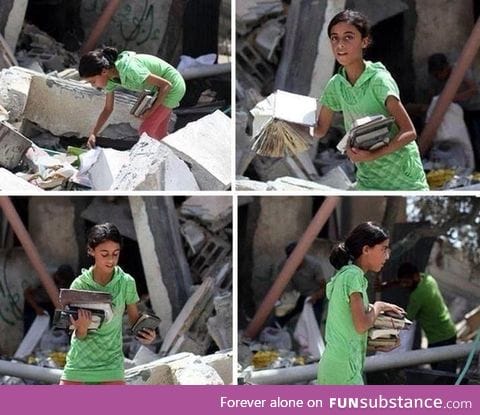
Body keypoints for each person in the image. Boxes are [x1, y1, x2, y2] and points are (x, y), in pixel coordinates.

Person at [314, 10, 428, 190]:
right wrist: (289, 128)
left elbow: (409, 132)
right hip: (369, 177)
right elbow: (320, 129)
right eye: (334, 38)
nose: (340, 45)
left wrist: (372, 155)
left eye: (348, 37)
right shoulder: (336, 85)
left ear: (364, 41)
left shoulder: (379, 80)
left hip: (402, 176)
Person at [60, 223, 156, 385]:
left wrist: (147, 334)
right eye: (104, 254)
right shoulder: (79, 285)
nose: (111, 260)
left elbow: (134, 320)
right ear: (91, 251)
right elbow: (78, 334)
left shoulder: (126, 282)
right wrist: (81, 328)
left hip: (111, 364)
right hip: (79, 363)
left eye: (115, 254)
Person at [317, 222, 404, 385]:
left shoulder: (346, 276)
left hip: (339, 367)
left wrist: (379, 342)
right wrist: (379, 306)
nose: (387, 256)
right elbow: (362, 325)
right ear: (366, 249)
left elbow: (349, 331)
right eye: (383, 249)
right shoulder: (352, 276)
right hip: (343, 371)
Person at [78, 47, 186, 145]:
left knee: (145, 131)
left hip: (173, 87)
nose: (93, 86)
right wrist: (93, 133)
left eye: (93, 81)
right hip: (160, 91)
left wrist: (151, 111)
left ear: (104, 71)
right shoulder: (110, 79)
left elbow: (166, 85)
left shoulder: (130, 69)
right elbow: (108, 109)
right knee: (159, 134)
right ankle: (178, 159)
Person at [397, 262, 457, 373]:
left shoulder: (417, 296)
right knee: (447, 374)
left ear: (415, 277)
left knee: (444, 376)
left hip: (439, 338)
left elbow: (408, 319)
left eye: (406, 282)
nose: (404, 286)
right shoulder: (428, 279)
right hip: (449, 332)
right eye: (402, 282)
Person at [427, 53, 480, 169]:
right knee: (467, 141)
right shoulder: (439, 80)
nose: (437, 77)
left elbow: (474, 89)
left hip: (475, 108)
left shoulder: (459, 70)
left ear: (445, 68)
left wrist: (450, 98)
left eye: (438, 74)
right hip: (461, 111)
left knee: (477, 140)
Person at [274, 242, 326, 327]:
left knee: (313, 325)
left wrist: (315, 296)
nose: (295, 263)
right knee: (279, 317)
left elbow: (324, 288)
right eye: (292, 260)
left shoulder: (314, 265)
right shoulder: (284, 265)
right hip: (297, 295)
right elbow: (280, 285)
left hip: (314, 297)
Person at [24, 264, 75, 333]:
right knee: (32, 330)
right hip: (34, 303)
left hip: (50, 303)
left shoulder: (65, 283)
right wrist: (36, 308)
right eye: (61, 280)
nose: (62, 283)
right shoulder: (44, 276)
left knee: (57, 325)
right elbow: (27, 293)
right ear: (57, 275)